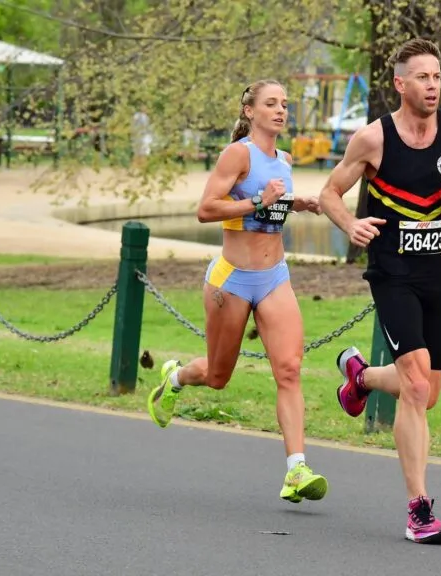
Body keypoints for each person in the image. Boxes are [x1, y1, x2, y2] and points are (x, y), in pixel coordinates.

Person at [318, 38, 441, 545]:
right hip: (392, 275)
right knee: (413, 389)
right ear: (400, 83)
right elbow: (329, 193)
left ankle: (361, 376)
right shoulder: (373, 139)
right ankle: (418, 510)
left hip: (438, 276)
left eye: (437, 77)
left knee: (427, 394)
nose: (433, 85)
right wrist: (350, 223)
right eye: (422, 78)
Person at [146, 79, 328, 506]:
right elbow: (206, 209)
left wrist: (295, 203)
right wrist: (258, 203)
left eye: (285, 104)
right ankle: (174, 378)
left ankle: (296, 470)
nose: (281, 111)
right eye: (271, 104)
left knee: (289, 369)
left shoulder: (283, 159)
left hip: (274, 277)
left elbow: (271, 207)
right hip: (232, 280)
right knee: (217, 376)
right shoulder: (237, 154)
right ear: (250, 111)